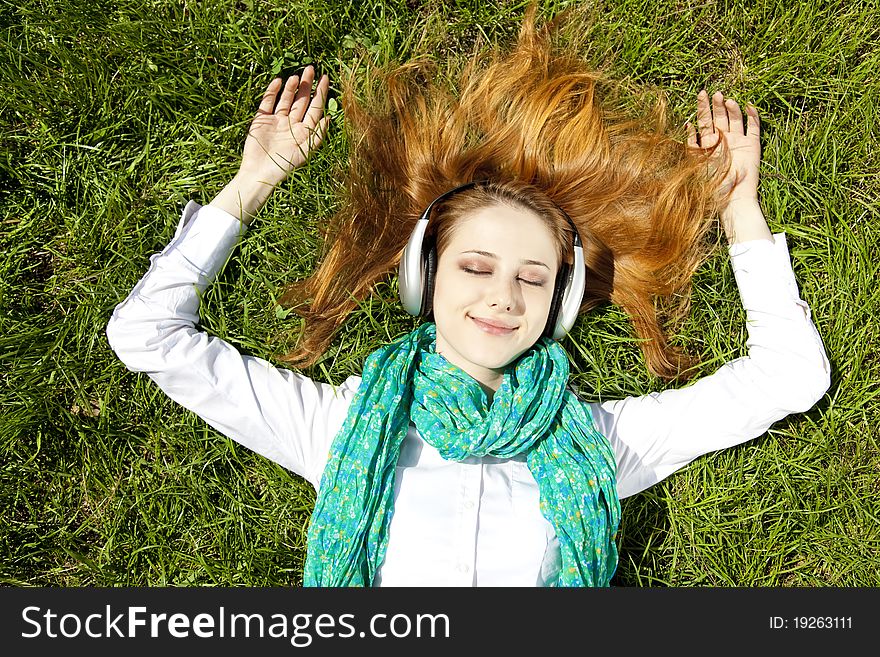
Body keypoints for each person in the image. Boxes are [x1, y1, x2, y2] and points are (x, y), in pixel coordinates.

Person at [106, 7, 830, 586]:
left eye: (534, 277)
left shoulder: (599, 444)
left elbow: (789, 376)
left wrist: (738, 209)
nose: (504, 296)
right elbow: (147, 335)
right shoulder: (341, 428)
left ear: (563, 302)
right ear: (426, 276)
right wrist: (253, 182)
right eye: (476, 267)